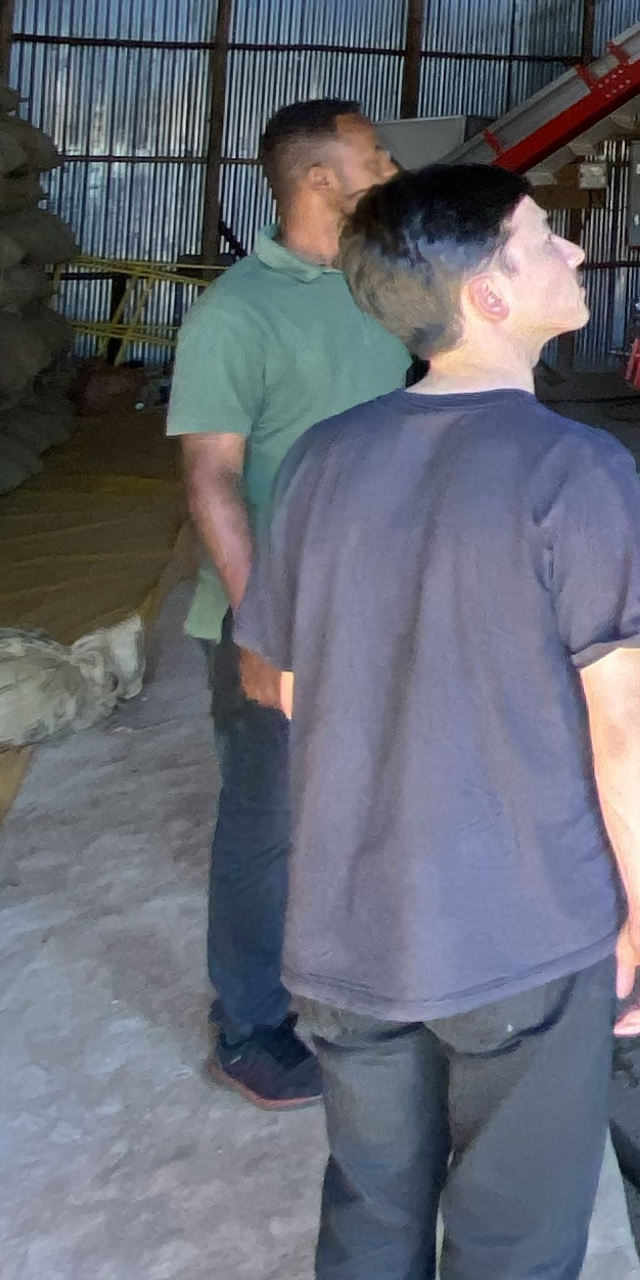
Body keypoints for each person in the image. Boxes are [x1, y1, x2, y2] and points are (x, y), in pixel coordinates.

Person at [237, 163, 640, 1280]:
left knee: (369, 1240)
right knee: (504, 1276)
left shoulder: (332, 466)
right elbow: (621, 717)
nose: (570, 249)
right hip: (515, 945)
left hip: (345, 940)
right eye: (543, 237)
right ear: (491, 293)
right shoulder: (570, 474)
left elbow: (277, 684)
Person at [168, 98, 403, 1105]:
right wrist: (261, 622)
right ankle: (251, 1025)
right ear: (319, 181)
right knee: (266, 824)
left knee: (368, 803)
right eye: (375, 155)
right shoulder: (237, 314)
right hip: (277, 619)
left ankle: (363, 977)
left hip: (380, 607)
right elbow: (213, 481)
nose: (391, 167)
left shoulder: (380, 290)